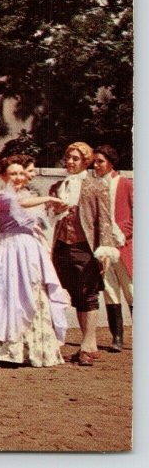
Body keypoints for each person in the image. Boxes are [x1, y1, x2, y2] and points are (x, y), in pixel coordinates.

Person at [0, 156, 70, 367]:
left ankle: (33, 349)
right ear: (3, 176)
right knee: (7, 295)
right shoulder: (1, 198)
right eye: (12, 174)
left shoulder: (29, 196)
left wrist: (55, 211)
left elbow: (41, 222)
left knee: (33, 291)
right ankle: (6, 350)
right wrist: (49, 199)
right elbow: (19, 203)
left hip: (28, 248)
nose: (17, 178)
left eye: (20, 173)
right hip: (8, 248)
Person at [49, 142, 119, 366]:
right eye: (68, 157)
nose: (70, 162)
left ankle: (88, 344)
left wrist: (106, 251)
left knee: (89, 295)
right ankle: (89, 344)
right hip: (63, 247)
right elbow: (49, 217)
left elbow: (104, 220)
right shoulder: (58, 186)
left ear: (86, 161)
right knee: (77, 296)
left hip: (85, 248)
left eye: (75, 158)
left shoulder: (96, 185)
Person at [92, 144, 133, 352]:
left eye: (100, 161)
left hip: (124, 248)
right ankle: (116, 338)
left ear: (111, 162)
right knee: (110, 292)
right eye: (95, 161)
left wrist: (124, 234)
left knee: (132, 292)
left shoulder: (124, 184)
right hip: (103, 249)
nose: (96, 165)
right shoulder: (93, 186)